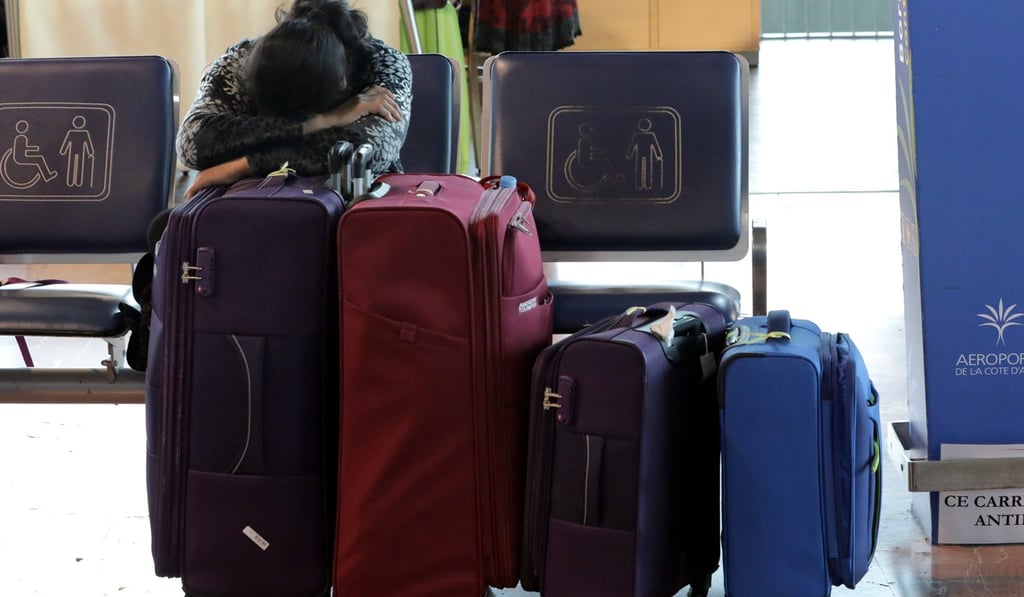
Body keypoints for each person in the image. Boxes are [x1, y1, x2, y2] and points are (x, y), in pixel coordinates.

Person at [177, 0, 411, 200]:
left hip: (357, 206)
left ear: (342, 79)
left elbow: (366, 153)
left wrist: (243, 165)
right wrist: (322, 121)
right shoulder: (247, 58)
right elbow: (192, 143)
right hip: (253, 202)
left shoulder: (384, 64)